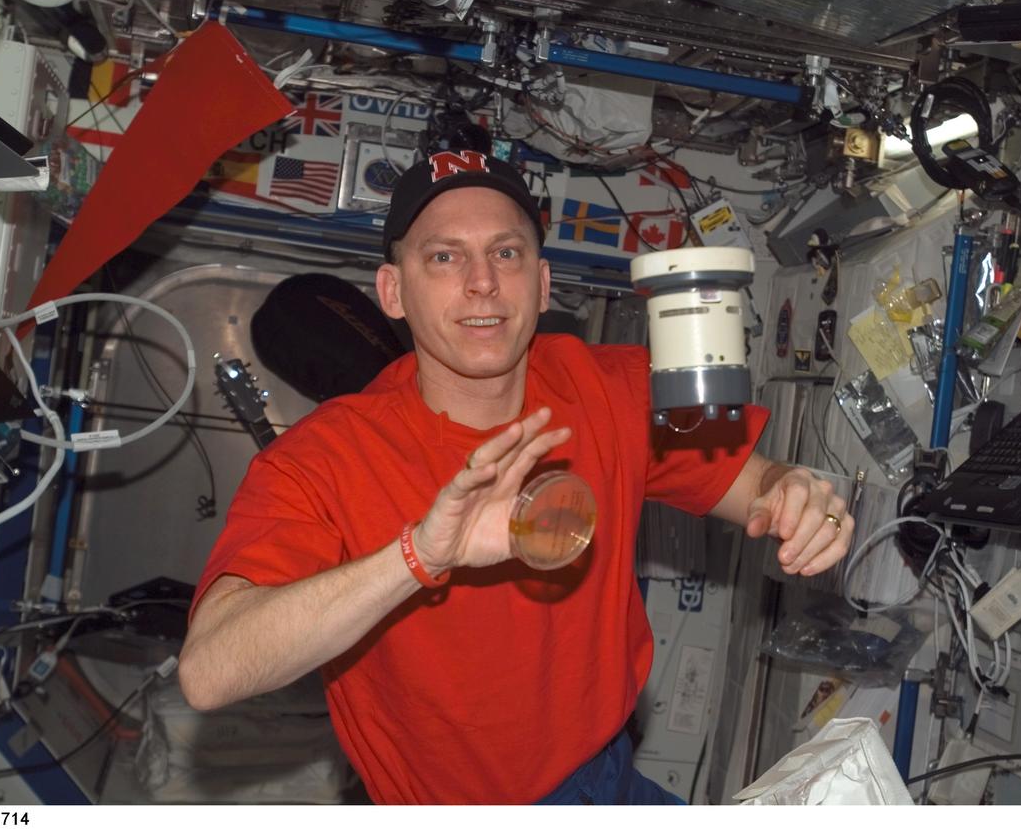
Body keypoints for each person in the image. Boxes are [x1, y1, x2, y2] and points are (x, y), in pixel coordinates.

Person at [178, 150, 854, 805]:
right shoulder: (322, 459)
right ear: (393, 290)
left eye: (507, 253)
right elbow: (210, 670)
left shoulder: (614, 385)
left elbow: (758, 483)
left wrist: (798, 491)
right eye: (445, 257)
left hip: (609, 777)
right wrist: (419, 554)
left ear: (543, 282)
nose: (483, 282)